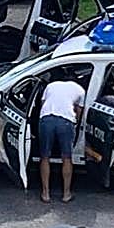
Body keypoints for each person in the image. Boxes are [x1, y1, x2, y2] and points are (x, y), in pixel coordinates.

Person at [38, 71, 85, 203]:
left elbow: (43, 104)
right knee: (66, 157)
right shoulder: (80, 90)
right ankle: (66, 194)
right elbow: (79, 112)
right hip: (65, 121)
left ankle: (45, 193)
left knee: (45, 156)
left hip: (46, 119)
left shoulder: (50, 86)